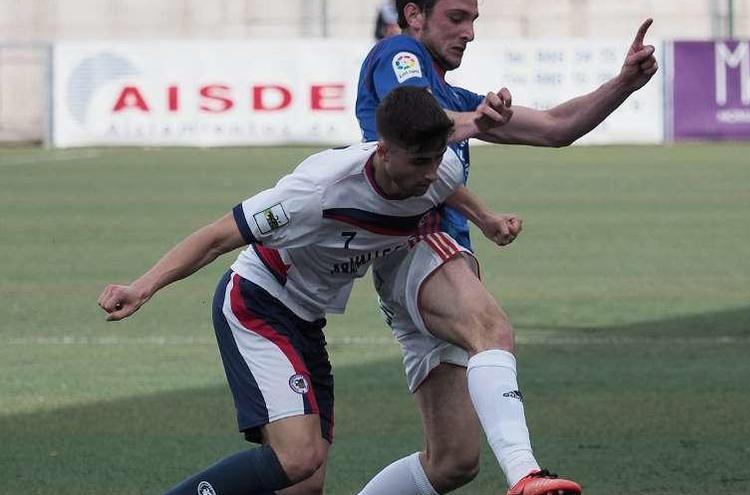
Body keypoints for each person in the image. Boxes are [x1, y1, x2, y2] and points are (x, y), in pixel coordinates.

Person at [97, 87, 509, 495]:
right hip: (258, 303)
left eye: (436, 160)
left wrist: (486, 218)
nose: (430, 173)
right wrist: (142, 288)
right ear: (383, 152)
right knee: (297, 457)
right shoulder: (314, 192)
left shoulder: (437, 171)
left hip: (307, 323)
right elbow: (217, 236)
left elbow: (446, 183)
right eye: (420, 162)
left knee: (302, 484)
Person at [353, 2, 659, 495]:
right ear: (414, 15)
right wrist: (476, 124)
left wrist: (623, 82)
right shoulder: (399, 51)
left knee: (453, 461)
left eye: (474, 20)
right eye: (455, 17)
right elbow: (416, 121)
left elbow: (556, 127)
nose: (469, 32)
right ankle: (526, 475)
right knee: (490, 328)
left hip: (428, 259)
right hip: (418, 240)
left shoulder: (452, 95)